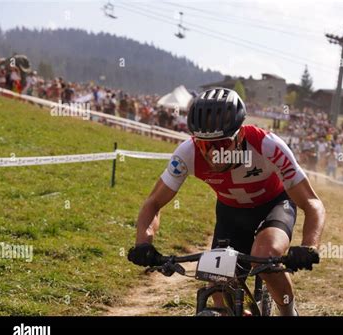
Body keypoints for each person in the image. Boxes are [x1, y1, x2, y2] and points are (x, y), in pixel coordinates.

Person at [127, 88, 325, 316]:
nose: (212, 154)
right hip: (231, 213)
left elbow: (312, 203)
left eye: (221, 145)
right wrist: (143, 243)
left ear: (240, 136)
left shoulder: (267, 145)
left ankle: (289, 312)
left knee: (265, 256)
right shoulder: (187, 153)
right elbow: (154, 202)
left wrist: (310, 246)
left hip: (274, 206)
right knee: (216, 276)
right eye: (204, 145)